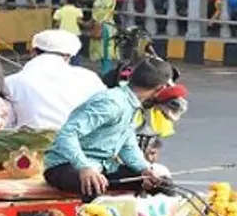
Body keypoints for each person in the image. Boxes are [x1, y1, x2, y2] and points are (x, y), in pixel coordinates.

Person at [43, 57, 172, 200]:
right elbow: (67, 134)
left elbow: (127, 145)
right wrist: (84, 167)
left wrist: (144, 169)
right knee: (93, 185)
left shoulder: (131, 105)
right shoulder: (112, 104)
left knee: (160, 184)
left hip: (103, 166)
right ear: (160, 89)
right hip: (65, 165)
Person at [5, 29, 106, 130]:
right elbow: (105, 113)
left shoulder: (11, 82)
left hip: (29, 144)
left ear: (33, 52)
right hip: (81, 141)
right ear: (68, 56)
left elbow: (4, 125)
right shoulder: (89, 78)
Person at [88, 0, 119, 76]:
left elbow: (108, 11)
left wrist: (100, 21)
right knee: (99, 49)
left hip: (106, 25)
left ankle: (107, 72)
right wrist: (93, 21)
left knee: (106, 50)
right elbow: (95, 10)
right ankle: (103, 71)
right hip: (97, 24)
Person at [52, 0, 84, 64]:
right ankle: (76, 68)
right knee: (76, 52)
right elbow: (80, 22)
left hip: (63, 33)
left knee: (63, 52)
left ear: (65, 0)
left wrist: (54, 31)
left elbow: (57, 24)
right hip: (76, 33)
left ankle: (65, 66)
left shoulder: (59, 11)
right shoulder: (78, 10)